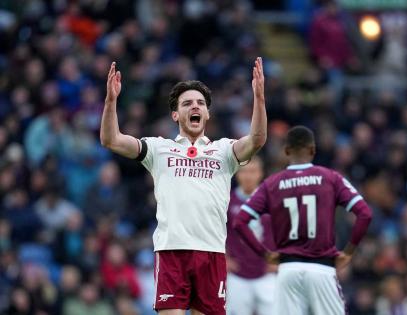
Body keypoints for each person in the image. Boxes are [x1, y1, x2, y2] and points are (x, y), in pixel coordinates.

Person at [100, 57, 266, 315]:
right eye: (187, 103)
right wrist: (111, 101)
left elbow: (257, 139)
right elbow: (111, 140)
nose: (195, 107)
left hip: (212, 253)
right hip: (171, 252)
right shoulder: (158, 148)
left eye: (200, 103)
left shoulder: (223, 151)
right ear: (176, 114)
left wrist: (259, 98)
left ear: (208, 113)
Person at [234, 125, 372, 315]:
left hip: (287, 269)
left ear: (286, 151)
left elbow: (240, 221)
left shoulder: (272, 184)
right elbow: (365, 214)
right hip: (321, 267)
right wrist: (348, 252)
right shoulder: (331, 178)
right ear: (313, 150)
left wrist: (264, 254)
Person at [225, 157, 276, 315]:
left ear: (260, 173)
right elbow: (215, 232)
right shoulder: (227, 201)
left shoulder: (272, 200)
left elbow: (287, 232)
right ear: (237, 174)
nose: (248, 176)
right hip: (237, 273)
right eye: (244, 171)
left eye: (253, 171)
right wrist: (224, 258)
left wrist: (282, 259)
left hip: (267, 273)